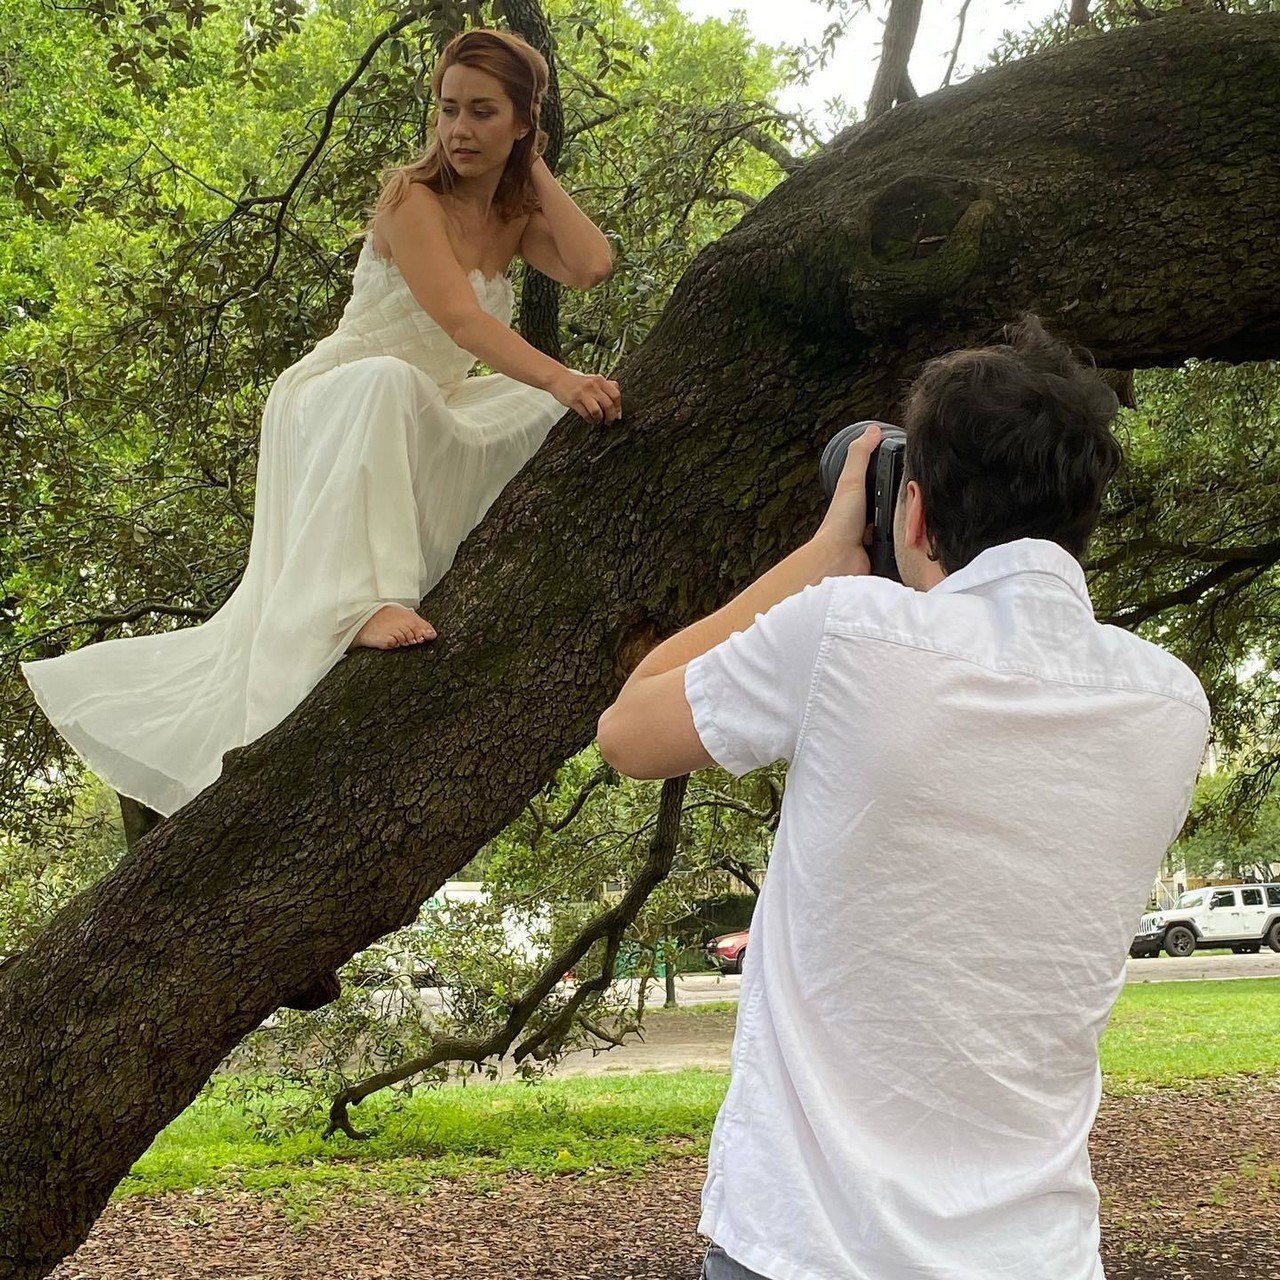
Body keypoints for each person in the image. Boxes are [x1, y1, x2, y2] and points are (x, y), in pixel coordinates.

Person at [597, 318, 1209, 1280]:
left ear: (913, 515)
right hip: (1038, 1251)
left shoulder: (851, 632)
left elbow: (626, 730)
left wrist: (818, 560)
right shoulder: (1172, 704)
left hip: (810, 1245)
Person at [23, 28, 620, 819]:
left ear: (519, 121)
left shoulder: (513, 211)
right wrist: (564, 372)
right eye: (447, 110)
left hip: (429, 402)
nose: (459, 130)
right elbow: (462, 322)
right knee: (421, 381)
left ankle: (480, 557)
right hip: (341, 394)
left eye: (483, 113)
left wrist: (534, 164)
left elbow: (590, 265)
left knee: (544, 407)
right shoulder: (413, 197)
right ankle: (358, 604)